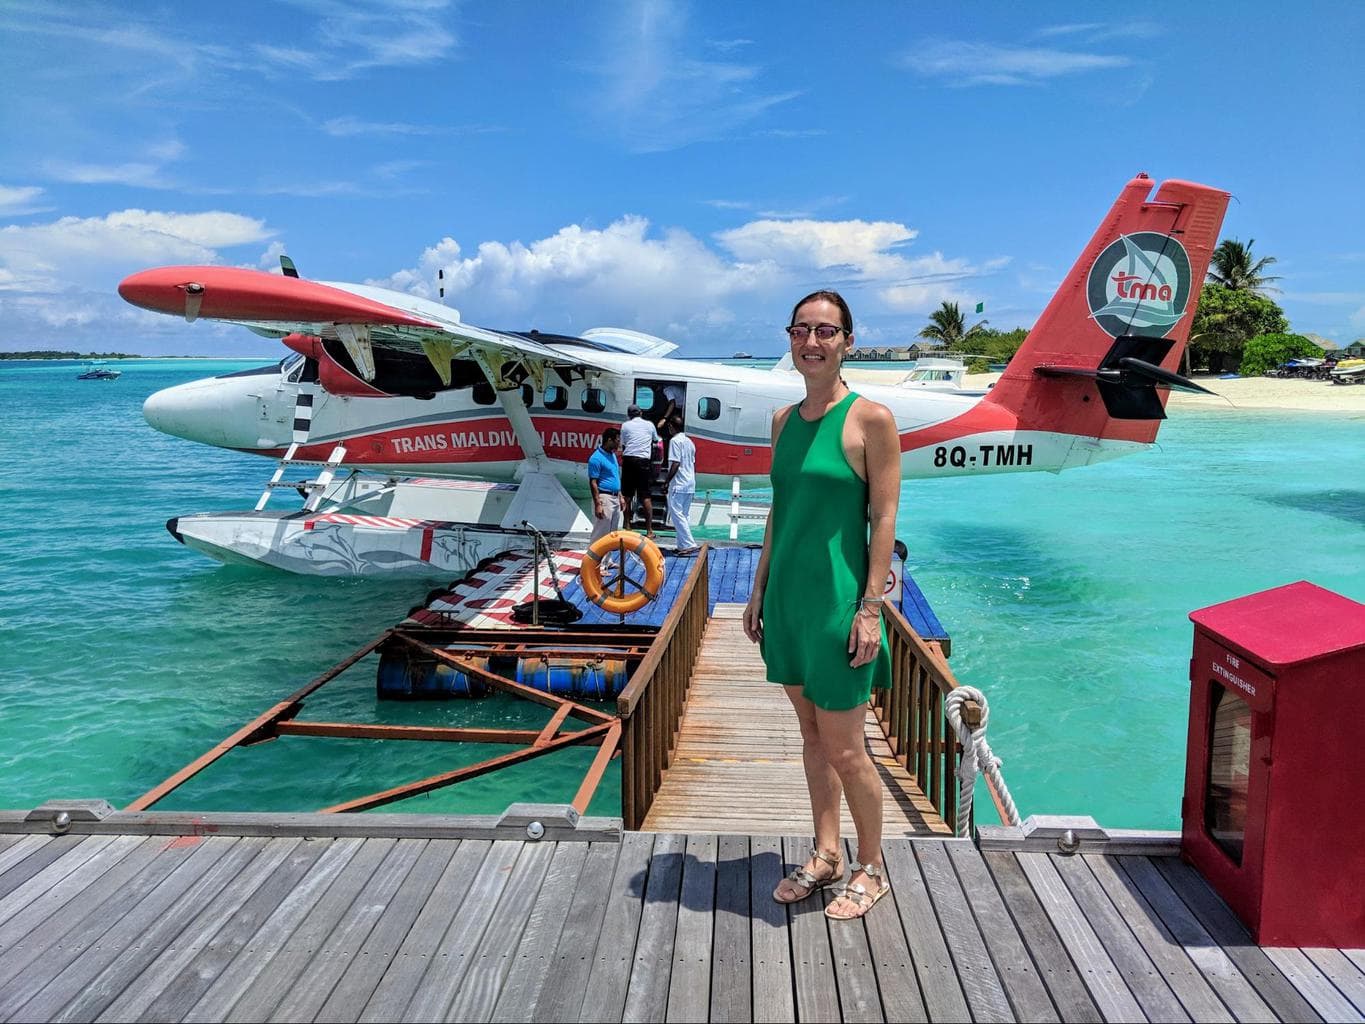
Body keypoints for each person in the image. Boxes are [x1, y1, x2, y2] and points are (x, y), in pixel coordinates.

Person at [742, 289, 901, 921]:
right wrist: (757, 590)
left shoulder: (871, 420)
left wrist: (870, 607)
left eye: (826, 332)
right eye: (802, 330)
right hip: (789, 601)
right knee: (811, 737)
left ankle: (874, 867)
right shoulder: (783, 421)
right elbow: (781, 512)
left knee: (846, 749)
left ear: (847, 343)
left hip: (840, 603)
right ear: (790, 338)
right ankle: (827, 852)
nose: (813, 341)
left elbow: (883, 515)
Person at [619, 404, 660, 538]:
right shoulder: (649, 425)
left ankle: (627, 525)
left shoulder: (625, 426)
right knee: (645, 496)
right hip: (643, 461)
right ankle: (649, 531)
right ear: (641, 413)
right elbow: (655, 439)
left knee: (627, 495)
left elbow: (624, 443)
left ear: (629, 415)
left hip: (629, 459)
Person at [663, 412, 698, 555]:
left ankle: (689, 543)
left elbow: (675, 463)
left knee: (677, 514)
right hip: (690, 483)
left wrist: (666, 481)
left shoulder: (675, 441)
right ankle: (682, 545)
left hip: (679, 483)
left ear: (671, 426)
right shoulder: (690, 442)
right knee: (684, 515)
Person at [587, 427, 623, 543]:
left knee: (612, 533)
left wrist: (620, 496)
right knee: (601, 532)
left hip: (615, 497)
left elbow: (615, 476)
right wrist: (598, 504)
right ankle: (593, 560)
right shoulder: (596, 458)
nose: (619, 443)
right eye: (617, 440)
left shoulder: (612, 455)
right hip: (604, 497)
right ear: (609, 440)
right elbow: (593, 482)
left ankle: (607, 560)